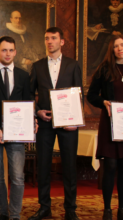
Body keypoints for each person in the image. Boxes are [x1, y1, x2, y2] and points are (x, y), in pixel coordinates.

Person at [29, 27, 83, 220]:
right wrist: (37, 112)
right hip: (45, 123)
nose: (50, 41)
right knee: (43, 166)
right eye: (46, 38)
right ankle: (44, 207)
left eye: (54, 38)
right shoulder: (37, 66)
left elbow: (79, 94)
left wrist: (76, 121)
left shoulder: (73, 65)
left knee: (69, 166)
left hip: (68, 124)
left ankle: (70, 209)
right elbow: (29, 95)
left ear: (62, 42)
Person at [0, 36, 31, 220]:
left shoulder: (23, 75)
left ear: (15, 52)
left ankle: (15, 215)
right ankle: (3, 213)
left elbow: (28, 102)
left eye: (11, 50)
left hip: (18, 132)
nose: (8, 53)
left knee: (18, 177)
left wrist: (31, 121)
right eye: (4, 50)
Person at [87, 34, 123, 220]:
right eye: (116, 46)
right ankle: (108, 208)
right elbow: (91, 95)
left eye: (122, 45)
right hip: (110, 124)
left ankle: (122, 209)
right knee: (110, 165)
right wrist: (104, 102)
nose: (120, 48)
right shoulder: (105, 69)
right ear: (111, 49)